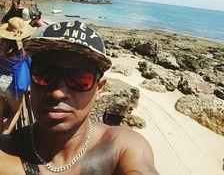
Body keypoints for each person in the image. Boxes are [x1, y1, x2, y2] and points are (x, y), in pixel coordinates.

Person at [0, 20, 159, 174]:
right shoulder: (5, 154)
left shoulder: (122, 149)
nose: (58, 92)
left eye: (80, 80)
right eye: (44, 75)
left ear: (99, 89)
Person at [0, 17, 36, 134]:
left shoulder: (1, 47)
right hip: (11, 84)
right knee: (16, 111)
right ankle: (4, 136)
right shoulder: (21, 51)